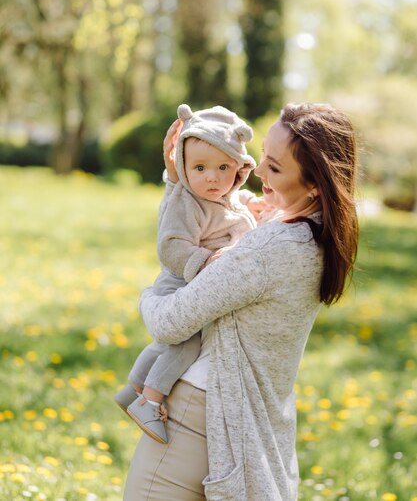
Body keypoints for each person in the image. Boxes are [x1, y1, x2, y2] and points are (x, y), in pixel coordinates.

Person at [123, 102, 359, 501]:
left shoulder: (270, 247)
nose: (257, 171)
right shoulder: (311, 234)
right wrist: (178, 178)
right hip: (237, 418)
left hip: (194, 422)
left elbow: (169, 322)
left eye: (276, 167)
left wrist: (148, 294)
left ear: (316, 184)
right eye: (262, 156)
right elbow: (210, 214)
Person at [115, 103, 267, 443]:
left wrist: (251, 205)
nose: (212, 177)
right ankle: (150, 401)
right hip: (180, 279)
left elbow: (233, 207)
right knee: (187, 342)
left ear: (240, 169)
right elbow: (170, 247)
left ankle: (133, 389)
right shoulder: (187, 201)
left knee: (163, 344)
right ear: (182, 167)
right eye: (199, 167)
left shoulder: (223, 196)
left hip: (191, 278)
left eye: (223, 167)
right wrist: (206, 260)